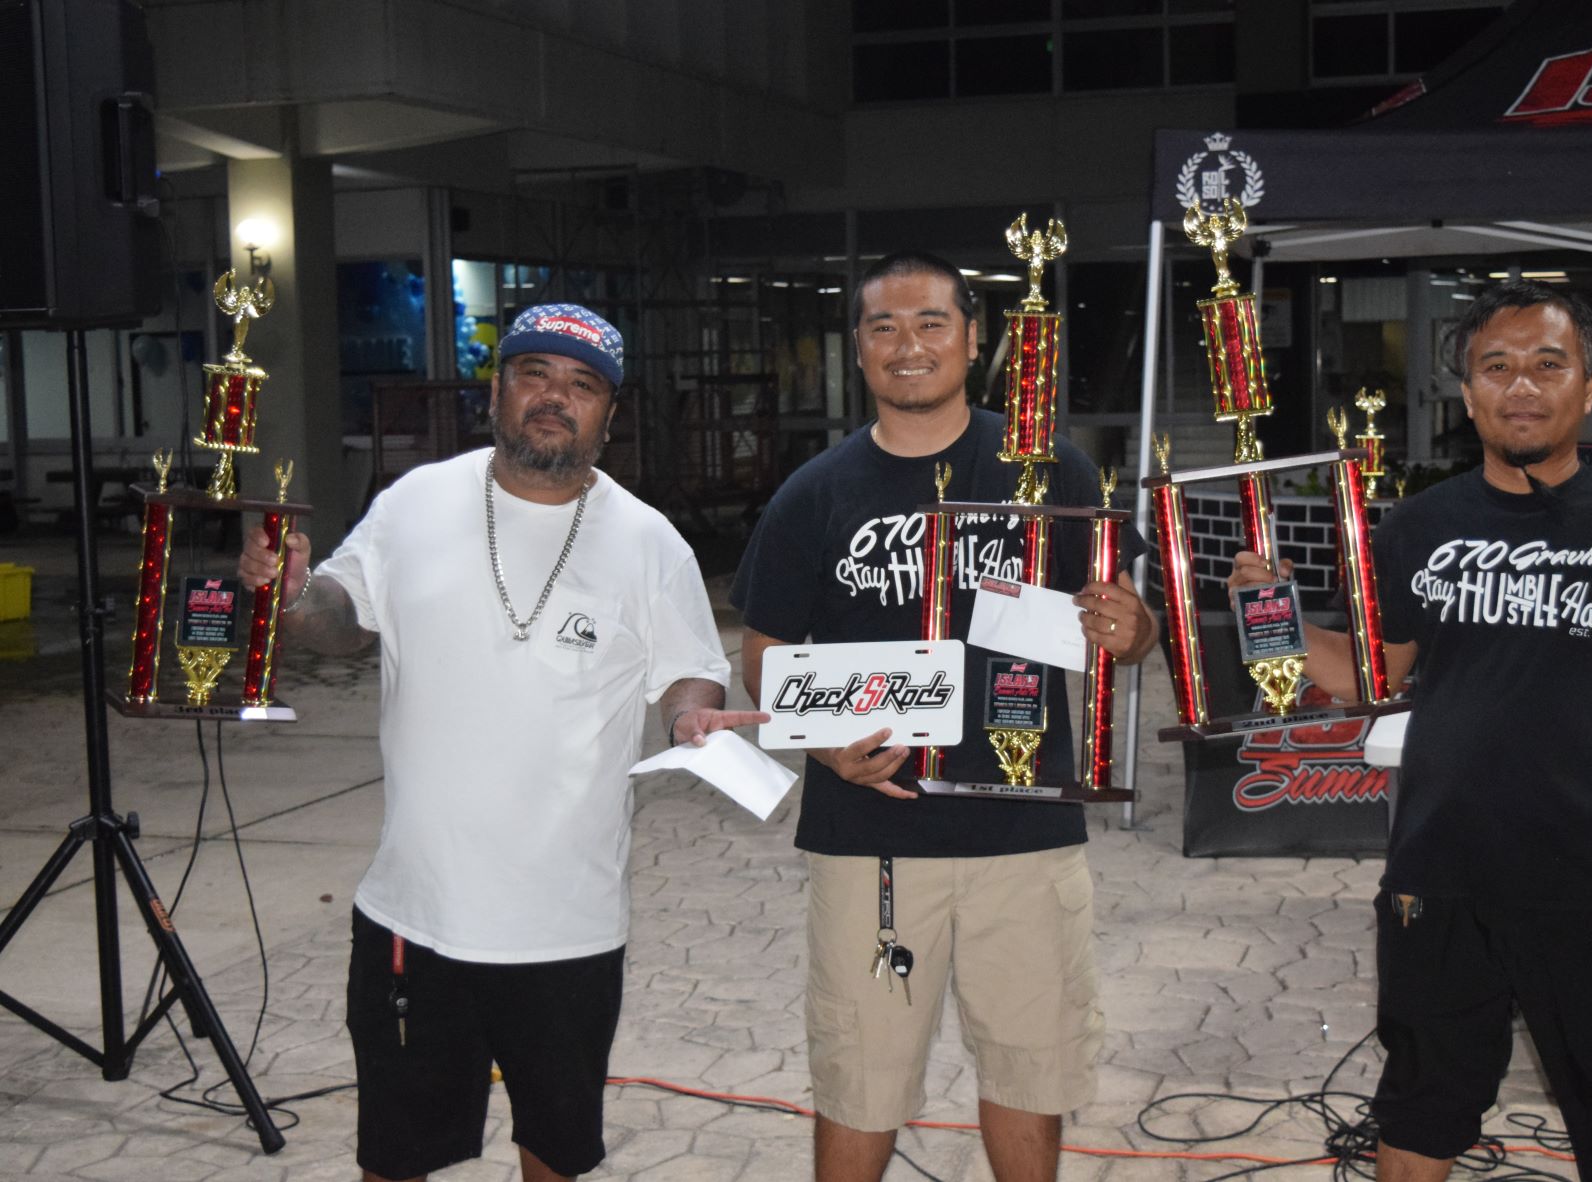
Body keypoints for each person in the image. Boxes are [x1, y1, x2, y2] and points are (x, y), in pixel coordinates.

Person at [1229, 280, 1592, 1182]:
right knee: (1421, 1105)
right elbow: (1368, 675)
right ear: (1467, 395)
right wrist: (1261, 615)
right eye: (1496, 367)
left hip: (1584, 874)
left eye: (1548, 365)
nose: (1522, 385)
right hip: (1440, 871)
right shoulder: (1421, 526)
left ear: (1587, 388)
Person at [238, 303, 763, 1182]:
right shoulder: (413, 502)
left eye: (581, 385)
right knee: (396, 1157)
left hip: (567, 924)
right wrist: (290, 597)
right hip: (416, 911)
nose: (555, 397)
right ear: (497, 389)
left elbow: (688, 671)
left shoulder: (647, 542)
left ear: (608, 412)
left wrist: (689, 717)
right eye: (534, 374)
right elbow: (340, 619)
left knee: (553, 1155)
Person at [731, 252, 1158, 1182]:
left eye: (930, 322)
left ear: (973, 339)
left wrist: (1132, 632)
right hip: (869, 840)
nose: (908, 345)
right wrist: (827, 742)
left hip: (1026, 829)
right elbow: (761, 653)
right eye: (883, 327)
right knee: (859, 1080)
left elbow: (1123, 627)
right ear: (859, 350)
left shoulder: (1052, 468)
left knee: (1031, 1070)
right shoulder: (817, 492)